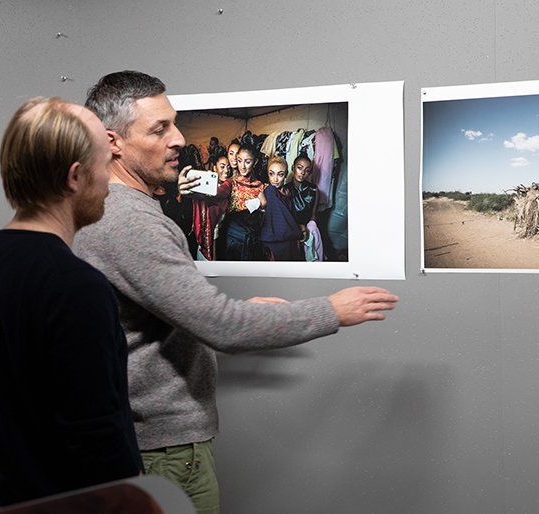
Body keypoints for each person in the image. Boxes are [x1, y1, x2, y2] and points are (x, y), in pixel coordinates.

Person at [75, 70, 398, 514]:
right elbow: (223, 328)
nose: (177, 139)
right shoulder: (131, 221)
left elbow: (153, 320)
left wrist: (234, 312)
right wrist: (331, 310)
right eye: (159, 128)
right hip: (163, 453)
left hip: (154, 446)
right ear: (113, 142)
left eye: (174, 123)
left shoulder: (117, 211)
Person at [0, 97, 142, 508]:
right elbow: (99, 437)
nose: (110, 181)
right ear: (75, 177)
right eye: (106, 165)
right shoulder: (76, 286)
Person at [261, 156, 302, 260]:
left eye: (280, 174)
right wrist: (298, 230)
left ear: (286, 175)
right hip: (275, 242)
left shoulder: (288, 192)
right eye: (271, 173)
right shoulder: (269, 191)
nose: (275, 179)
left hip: (288, 240)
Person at [290, 155, 324, 261]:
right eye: (299, 168)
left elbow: (314, 215)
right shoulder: (285, 190)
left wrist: (309, 228)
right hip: (291, 229)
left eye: (307, 170)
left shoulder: (314, 190)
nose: (303, 172)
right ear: (293, 167)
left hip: (308, 229)